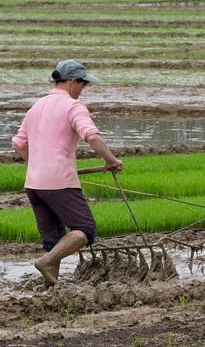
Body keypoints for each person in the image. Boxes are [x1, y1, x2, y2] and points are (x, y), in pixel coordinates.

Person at [12, 59, 122, 286]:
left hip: (34, 184)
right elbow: (91, 136)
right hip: (60, 182)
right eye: (83, 84)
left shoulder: (37, 106)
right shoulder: (73, 106)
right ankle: (46, 262)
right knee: (85, 229)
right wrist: (111, 160)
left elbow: (18, 143)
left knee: (53, 238)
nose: (83, 89)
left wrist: (38, 163)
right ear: (73, 81)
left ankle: (51, 285)